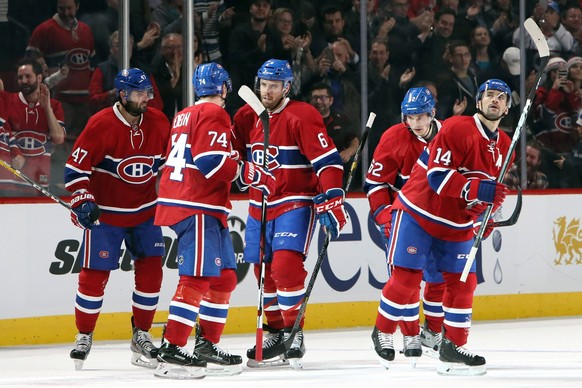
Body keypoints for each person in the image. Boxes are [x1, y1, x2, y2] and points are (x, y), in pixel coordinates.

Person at [370, 79, 513, 376]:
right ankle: (383, 331)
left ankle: (451, 348)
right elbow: (437, 177)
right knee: (407, 278)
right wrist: (477, 190)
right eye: (489, 95)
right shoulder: (458, 127)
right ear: (478, 101)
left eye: (501, 97)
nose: (495, 100)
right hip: (418, 212)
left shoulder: (504, 144)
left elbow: (487, 189)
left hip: (456, 222)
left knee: (464, 283)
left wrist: (483, 214)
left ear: (508, 107)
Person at [153, 63, 274, 379]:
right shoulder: (214, 114)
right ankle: (172, 349)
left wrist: (239, 163)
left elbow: (209, 155)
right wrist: (248, 172)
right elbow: (210, 162)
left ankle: (206, 345)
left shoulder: (184, 114)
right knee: (196, 277)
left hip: (192, 202)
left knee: (224, 277)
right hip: (197, 204)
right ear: (224, 88)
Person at [232, 59, 347, 368]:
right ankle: (277, 330)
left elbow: (328, 161)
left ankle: (294, 332)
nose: (267, 91)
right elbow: (233, 153)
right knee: (261, 271)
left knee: (285, 266)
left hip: (294, 200)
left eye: (274, 85)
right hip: (259, 204)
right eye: (264, 85)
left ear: (286, 86)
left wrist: (333, 197)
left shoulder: (303, 115)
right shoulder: (246, 115)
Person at [64, 68, 171, 371]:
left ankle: (142, 335)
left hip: (146, 212)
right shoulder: (100, 125)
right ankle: (84, 335)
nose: (145, 98)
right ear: (123, 95)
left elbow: (167, 166)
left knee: (151, 273)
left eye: (147, 93)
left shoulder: (158, 122)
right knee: (94, 276)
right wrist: (82, 199)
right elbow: (75, 170)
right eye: (139, 93)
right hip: (107, 216)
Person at [365, 87, 446, 365]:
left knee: (438, 278)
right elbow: (375, 183)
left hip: (438, 219)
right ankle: (408, 333)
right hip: (404, 218)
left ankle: (430, 332)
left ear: (432, 113)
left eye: (420, 116)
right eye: (410, 117)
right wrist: (385, 216)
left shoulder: (449, 136)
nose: (415, 123)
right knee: (406, 276)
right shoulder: (394, 137)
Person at [5, 58, 66, 196]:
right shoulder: (7, 102)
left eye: (28, 76)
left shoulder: (55, 106)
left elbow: (59, 139)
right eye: (20, 77)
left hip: (40, 184)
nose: (24, 81)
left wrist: (47, 109)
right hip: (11, 184)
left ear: (39, 78)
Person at [308, 82, 359, 189]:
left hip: (337, 172)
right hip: (310, 172)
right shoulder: (304, 120)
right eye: (315, 98)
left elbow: (354, 140)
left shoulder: (341, 119)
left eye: (322, 98)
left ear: (331, 100)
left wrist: (348, 152)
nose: (318, 101)